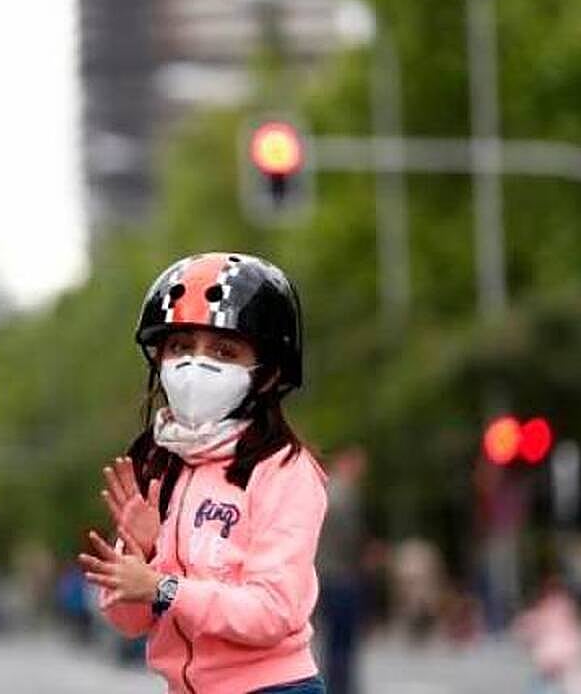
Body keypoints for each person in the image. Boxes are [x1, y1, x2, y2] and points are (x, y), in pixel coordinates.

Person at [77, 252, 329, 693]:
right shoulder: (159, 464)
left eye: (224, 351)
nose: (195, 365)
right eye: (180, 347)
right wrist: (141, 554)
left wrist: (163, 586)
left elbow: (274, 612)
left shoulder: (283, 470)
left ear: (267, 374)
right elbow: (129, 622)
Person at [315, 447, 366, 694]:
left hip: (325, 573)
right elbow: (350, 539)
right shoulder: (344, 495)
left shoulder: (325, 490)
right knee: (343, 639)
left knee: (332, 639)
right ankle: (341, 687)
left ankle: (334, 685)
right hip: (341, 574)